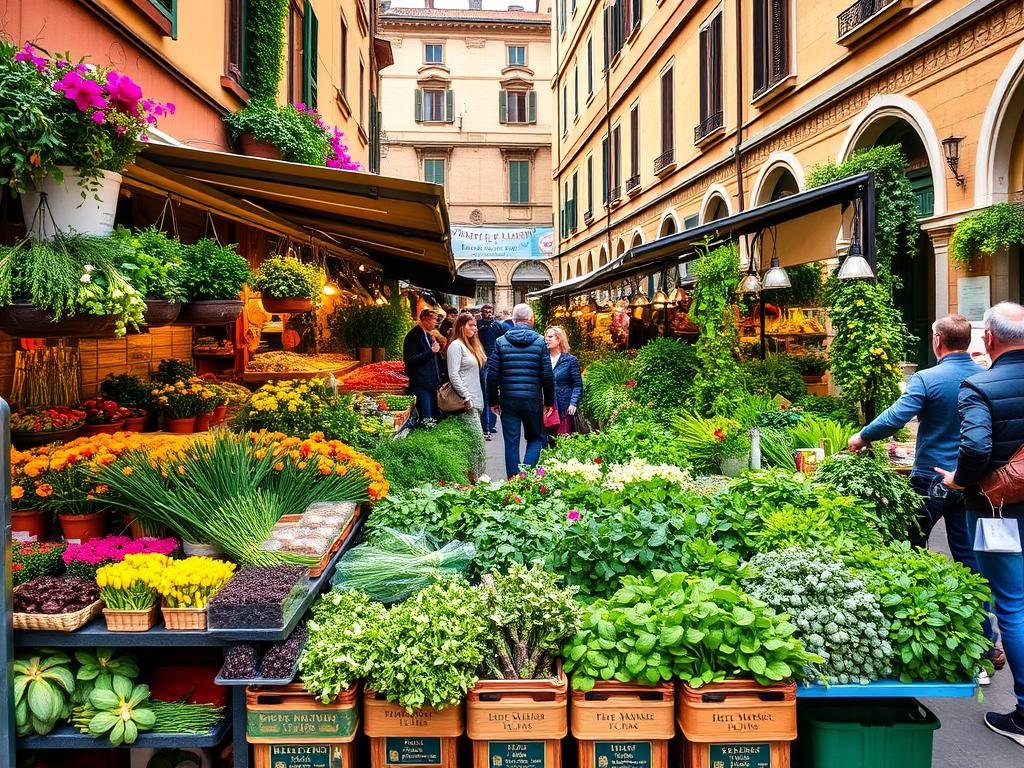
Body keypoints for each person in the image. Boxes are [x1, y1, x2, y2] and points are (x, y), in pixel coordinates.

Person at [849, 315, 1000, 667]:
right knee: (969, 559)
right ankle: (986, 641)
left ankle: (909, 628)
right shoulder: (985, 376)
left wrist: (862, 436)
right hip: (971, 480)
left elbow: (897, 417)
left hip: (931, 478)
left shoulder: (927, 379)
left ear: (938, 341)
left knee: (909, 548)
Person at [936, 301, 1024, 748]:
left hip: (1001, 511)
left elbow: (973, 449)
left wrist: (958, 480)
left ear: (988, 338)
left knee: (1011, 604)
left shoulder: (981, 385)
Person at [486, 303, 554, 478]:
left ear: (514, 321)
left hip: (508, 400)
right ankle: (524, 476)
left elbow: (492, 375)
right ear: (531, 320)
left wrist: (493, 401)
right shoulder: (539, 342)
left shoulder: (501, 342)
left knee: (511, 442)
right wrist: (549, 402)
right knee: (536, 438)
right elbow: (547, 374)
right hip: (532, 400)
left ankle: (513, 481)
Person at [446, 312, 487, 478]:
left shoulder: (469, 345)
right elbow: (453, 374)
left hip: (476, 401)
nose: (475, 329)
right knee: (477, 442)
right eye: (471, 325)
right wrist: (466, 396)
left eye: (475, 325)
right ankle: (477, 478)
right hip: (466, 403)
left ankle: (474, 477)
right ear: (461, 326)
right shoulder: (456, 346)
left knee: (473, 442)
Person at [543, 325, 583, 445]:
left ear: (559, 339)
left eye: (550, 337)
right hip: (546, 405)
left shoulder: (570, 360)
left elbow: (577, 384)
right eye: (546, 337)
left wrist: (573, 403)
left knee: (562, 439)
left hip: (564, 405)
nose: (546, 339)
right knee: (546, 439)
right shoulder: (543, 359)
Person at [402, 308, 443, 421]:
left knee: (434, 415)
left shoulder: (428, 335)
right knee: (426, 416)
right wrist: (431, 351)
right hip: (420, 382)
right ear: (424, 319)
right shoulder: (414, 335)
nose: (435, 323)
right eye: (433, 320)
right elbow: (410, 359)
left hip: (431, 382)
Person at [477, 304, 505, 438]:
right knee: (486, 392)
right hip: (482, 361)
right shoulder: (477, 325)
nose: (488, 313)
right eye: (485, 311)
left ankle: (491, 424)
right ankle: (486, 425)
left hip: (494, 361)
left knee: (493, 392)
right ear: (482, 312)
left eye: (490, 311)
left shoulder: (498, 326)